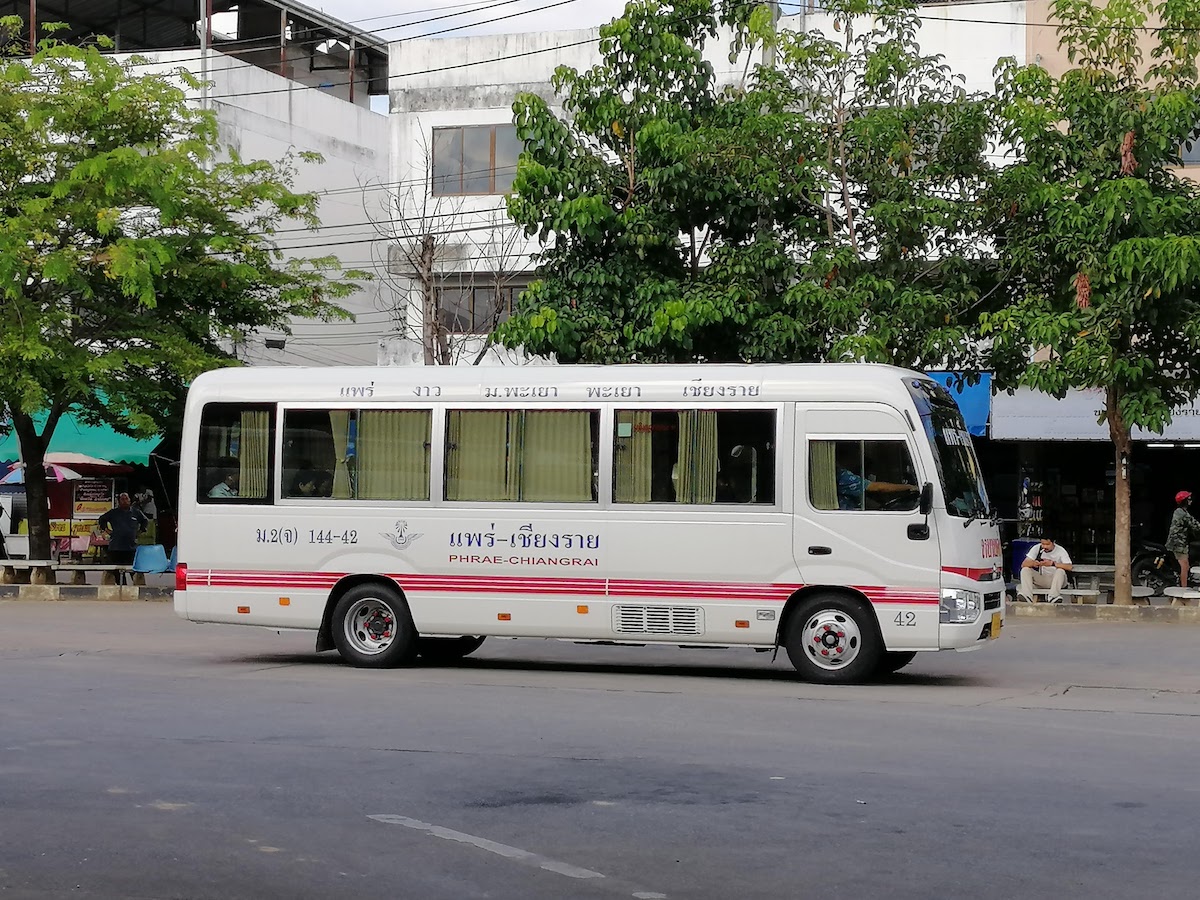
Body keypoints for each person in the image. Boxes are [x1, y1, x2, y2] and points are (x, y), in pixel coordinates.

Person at [97, 492, 149, 585]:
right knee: (117, 571)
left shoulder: (135, 512)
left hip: (131, 547)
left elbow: (145, 521)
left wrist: (140, 531)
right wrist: (106, 530)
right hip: (116, 547)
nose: (125, 501)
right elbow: (101, 519)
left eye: (126, 499)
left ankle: (136, 588)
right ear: (119, 501)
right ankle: (122, 586)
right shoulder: (113, 512)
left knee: (133, 569)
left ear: (129, 500)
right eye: (122, 499)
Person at [1018, 537, 1073, 603]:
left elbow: (1069, 567)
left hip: (1058, 581)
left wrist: (1052, 564)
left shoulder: (1061, 550)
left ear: (1053, 542)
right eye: (1043, 544)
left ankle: (1053, 597)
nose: (1044, 547)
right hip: (1043, 580)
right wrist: (1033, 563)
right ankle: (1027, 595)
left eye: (1047, 544)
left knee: (1060, 571)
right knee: (1025, 570)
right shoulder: (1037, 548)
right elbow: (1023, 564)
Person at [1166, 490, 1200, 593]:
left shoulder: (1182, 511)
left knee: (1186, 565)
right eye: (1188, 499)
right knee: (1184, 566)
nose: (1191, 500)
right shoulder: (1181, 512)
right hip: (1178, 544)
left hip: (1181, 542)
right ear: (1184, 501)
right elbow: (1195, 525)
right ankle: (1184, 590)